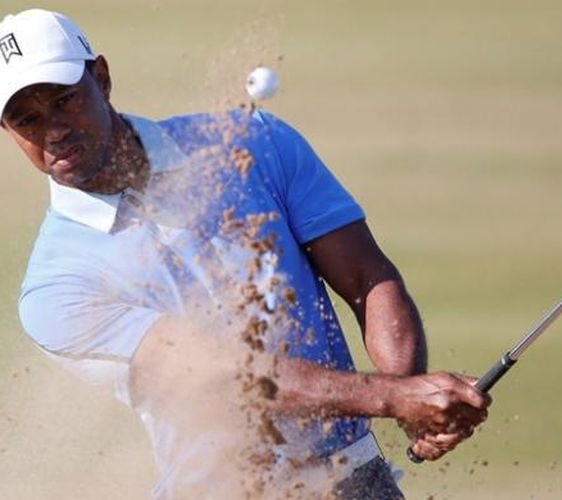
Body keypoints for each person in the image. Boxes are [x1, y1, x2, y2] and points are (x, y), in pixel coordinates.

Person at [0, 9, 491, 499]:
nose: (54, 130)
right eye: (27, 119)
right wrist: (395, 399)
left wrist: (411, 394)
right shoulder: (56, 288)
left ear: (101, 78)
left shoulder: (251, 142)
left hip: (358, 479)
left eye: (64, 101)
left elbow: (365, 278)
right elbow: (229, 377)